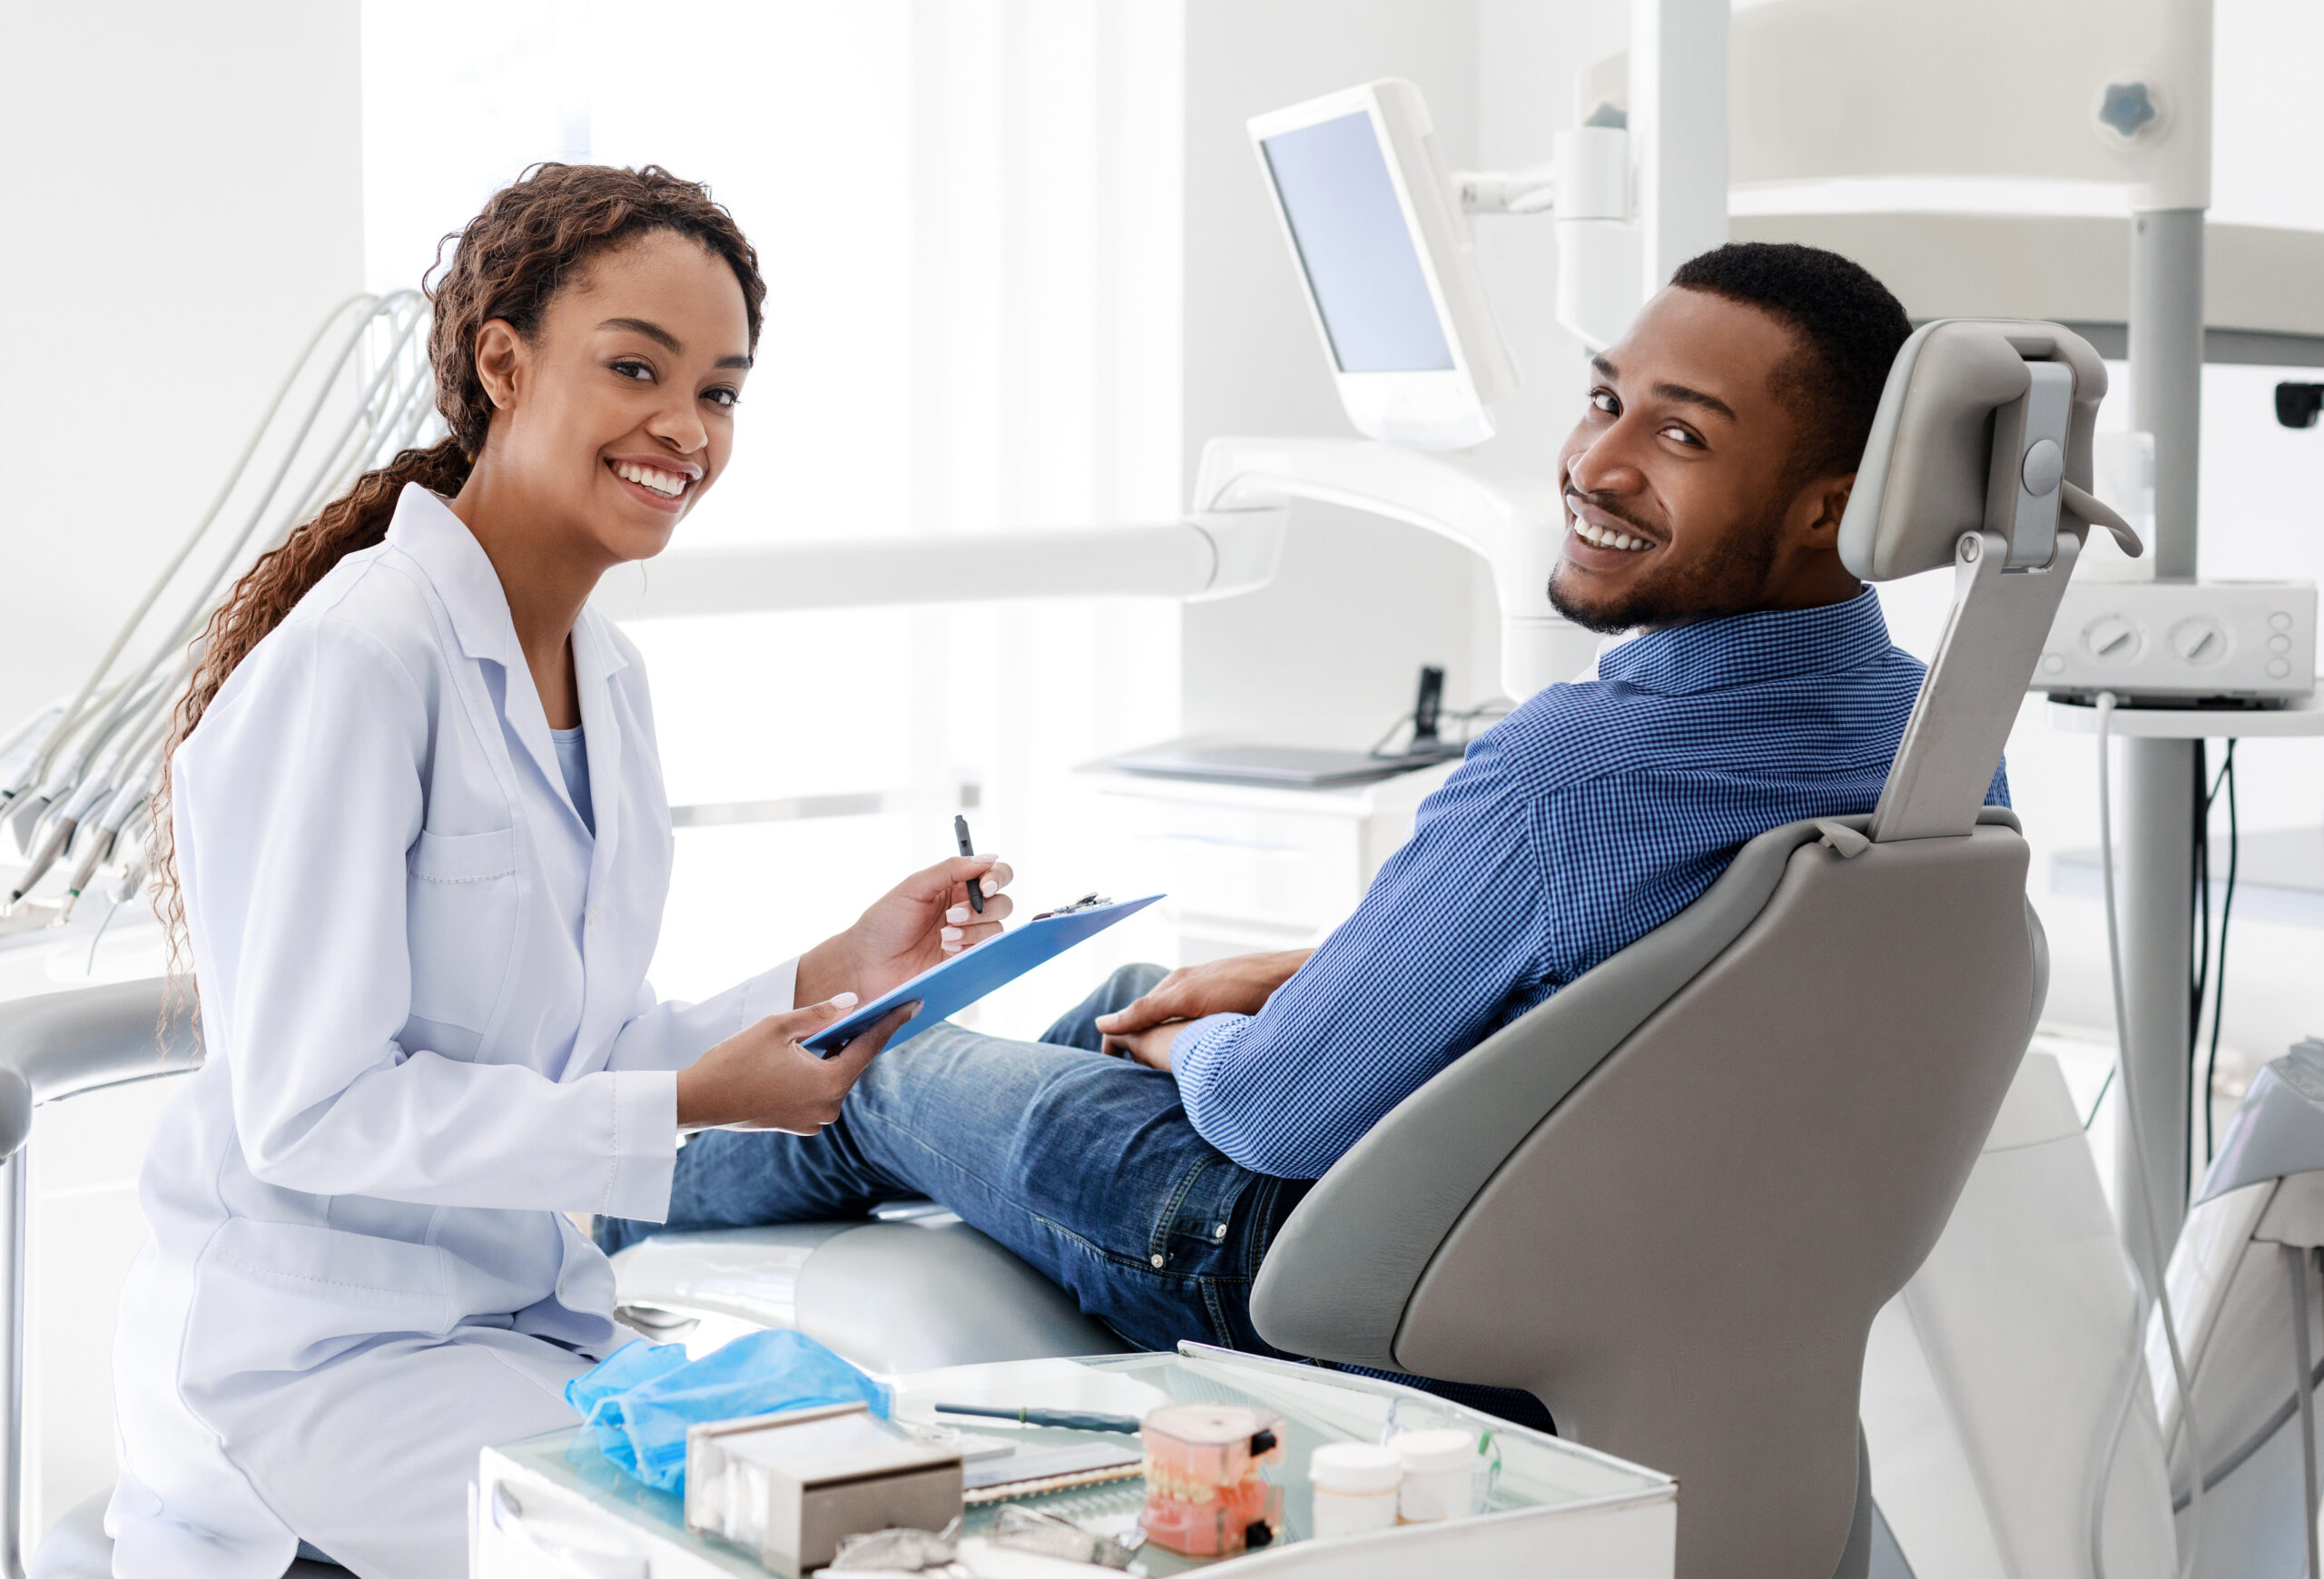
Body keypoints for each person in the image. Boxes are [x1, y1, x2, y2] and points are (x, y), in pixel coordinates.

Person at [597, 242, 2009, 1413]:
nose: (1597, 462)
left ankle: (582, 1202)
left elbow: (1275, 1115)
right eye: (1604, 399)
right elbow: (1643, 999)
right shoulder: (1934, 751)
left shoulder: (1573, 773)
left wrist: (1205, 1044)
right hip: (1607, 1249)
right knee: (1122, 993)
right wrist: (1276, 986)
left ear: (1837, 508)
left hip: (1304, 1259)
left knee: (896, 1060)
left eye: (1681, 432)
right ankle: (925, 1168)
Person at [109, 164, 1009, 1579]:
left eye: (719, 391)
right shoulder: (361, 660)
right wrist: (696, 1102)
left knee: (877, 1510)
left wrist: (835, 972)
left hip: (517, 1317)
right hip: (314, 1355)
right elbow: (314, 1114)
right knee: (702, 1556)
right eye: (636, 367)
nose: (684, 427)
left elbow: (581, 1047)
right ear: (505, 362)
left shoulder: (609, 676)